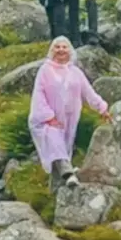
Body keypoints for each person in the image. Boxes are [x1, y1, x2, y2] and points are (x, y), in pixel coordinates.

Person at [29, 37, 110, 190]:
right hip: (46, 121)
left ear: (70, 50)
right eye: (57, 47)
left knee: (61, 150)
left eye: (64, 47)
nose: (61, 50)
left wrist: (102, 108)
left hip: (68, 120)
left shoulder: (76, 72)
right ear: (52, 50)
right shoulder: (45, 70)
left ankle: (56, 189)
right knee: (54, 140)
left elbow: (89, 92)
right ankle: (68, 172)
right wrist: (48, 116)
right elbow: (38, 95)